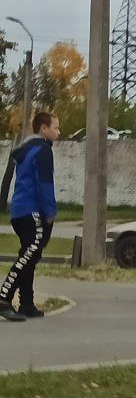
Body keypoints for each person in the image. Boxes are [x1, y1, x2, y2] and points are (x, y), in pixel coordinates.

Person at [0, 111, 60, 321]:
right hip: (32, 210)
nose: (58, 132)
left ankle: (26, 303)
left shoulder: (25, 150)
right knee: (28, 256)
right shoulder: (42, 150)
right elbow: (44, 184)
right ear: (43, 129)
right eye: (55, 128)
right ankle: (4, 297)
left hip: (19, 211)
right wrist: (50, 212)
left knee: (30, 256)